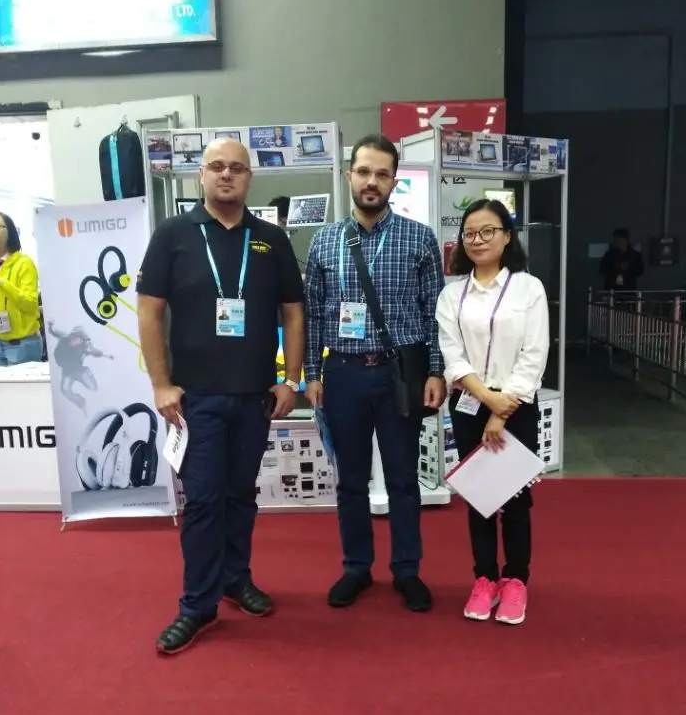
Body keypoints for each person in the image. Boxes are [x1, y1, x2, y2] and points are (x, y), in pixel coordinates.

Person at [137, 137, 305, 655]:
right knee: (205, 500)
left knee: (240, 496)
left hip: (255, 396)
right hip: (196, 399)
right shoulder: (173, 235)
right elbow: (149, 311)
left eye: (236, 168)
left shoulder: (271, 239)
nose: (226, 175)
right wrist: (161, 384)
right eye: (216, 167)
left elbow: (293, 312)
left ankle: (236, 579)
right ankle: (197, 604)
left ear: (250, 177)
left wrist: (290, 379)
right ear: (201, 175)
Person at [304, 134, 445, 612]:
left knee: (404, 478)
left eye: (382, 174)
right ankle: (356, 567)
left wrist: (436, 370)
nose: (371, 181)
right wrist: (312, 373)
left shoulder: (419, 238)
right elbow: (314, 313)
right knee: (351, 480)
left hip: (399, 373)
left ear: (393, 181)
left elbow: (434, 313)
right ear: (350, 175)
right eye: (363, 172)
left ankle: (406, 569)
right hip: (343, 373)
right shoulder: (324, 240)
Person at [435, 199, 549, 626]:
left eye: (487, 231)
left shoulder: (528, 288)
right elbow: (453, 356)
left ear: (506, 236)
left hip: (516, 406)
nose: (477, 240)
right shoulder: (452, 294)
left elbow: (534, 353)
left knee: (515, 499)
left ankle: (516, 580)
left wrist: (502, 409)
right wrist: (488, 400)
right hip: (469, 405)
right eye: (470, 233)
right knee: (479, 498)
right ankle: (484, 578)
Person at [0, 212, 43, 367]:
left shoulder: (24, 263)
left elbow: (30, 304)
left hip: (22, 344)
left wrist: (3, 283)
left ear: (9, 231)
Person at [46, 321, 114, 412]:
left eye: (81, 340)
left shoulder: (85, 346)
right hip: (67, 372)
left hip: (80, 371)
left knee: (93, 388)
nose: (78, 341)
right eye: (76, 339)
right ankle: (81, 403)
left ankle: (97, 400)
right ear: (72, 337)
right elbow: (53, 332)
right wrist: (50, 326)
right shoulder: (64, 338)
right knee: (65, 390)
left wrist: (108, 356)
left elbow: (96, 352)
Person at [599, 228, 644, 292]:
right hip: (612, 289)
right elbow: (602, 270)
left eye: (618, 239)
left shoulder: (635, 255)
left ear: (625, 240)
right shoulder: (609, 254)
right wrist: (615, 266)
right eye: (615, 239)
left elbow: (639, 271)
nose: (616, 242)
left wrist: (629, 267)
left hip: (628, 289)